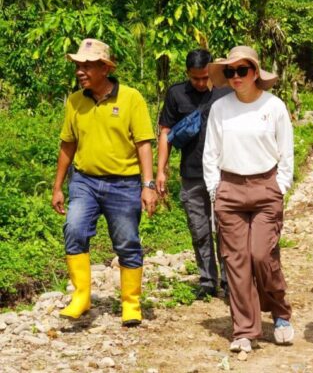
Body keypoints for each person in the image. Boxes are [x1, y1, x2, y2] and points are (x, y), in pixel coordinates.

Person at [52, 38, 156, 327]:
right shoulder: (75, 101)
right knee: (74, 229)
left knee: (127, 241)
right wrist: (58, 186)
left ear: (104, 68)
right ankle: (82, 296)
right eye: (78, 66)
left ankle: (131, 303)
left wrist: (148, 185)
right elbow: (67, 145)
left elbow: (144, 144)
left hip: (124, 184)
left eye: (86, 66)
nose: (80, 71)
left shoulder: (131, 98)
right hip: (84, 181)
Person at [203, 45, 295, 352]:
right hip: (229, 188)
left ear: (255, 72)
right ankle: (244, 329)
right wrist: (216, 191)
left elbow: (286, 152)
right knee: (236, 262)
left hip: (265, 186)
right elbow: (210, 153)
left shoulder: (274, 106)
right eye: (230, 72)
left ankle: (280, 312)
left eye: (242, 70)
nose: (236, 77)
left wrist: (280, 186)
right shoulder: (220, 108)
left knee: (261, 255)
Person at [156, 49, 231, 299]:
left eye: (204, 77)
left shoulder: (227, 90)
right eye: (195, 78)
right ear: (187, 74)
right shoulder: (177, 93)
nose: (200, 83)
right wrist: (161, 170)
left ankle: (229, 280)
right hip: (191, 174)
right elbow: (165, 131)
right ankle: (207, 279)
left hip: (224, 173)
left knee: (226, 229)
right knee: (199, 229)